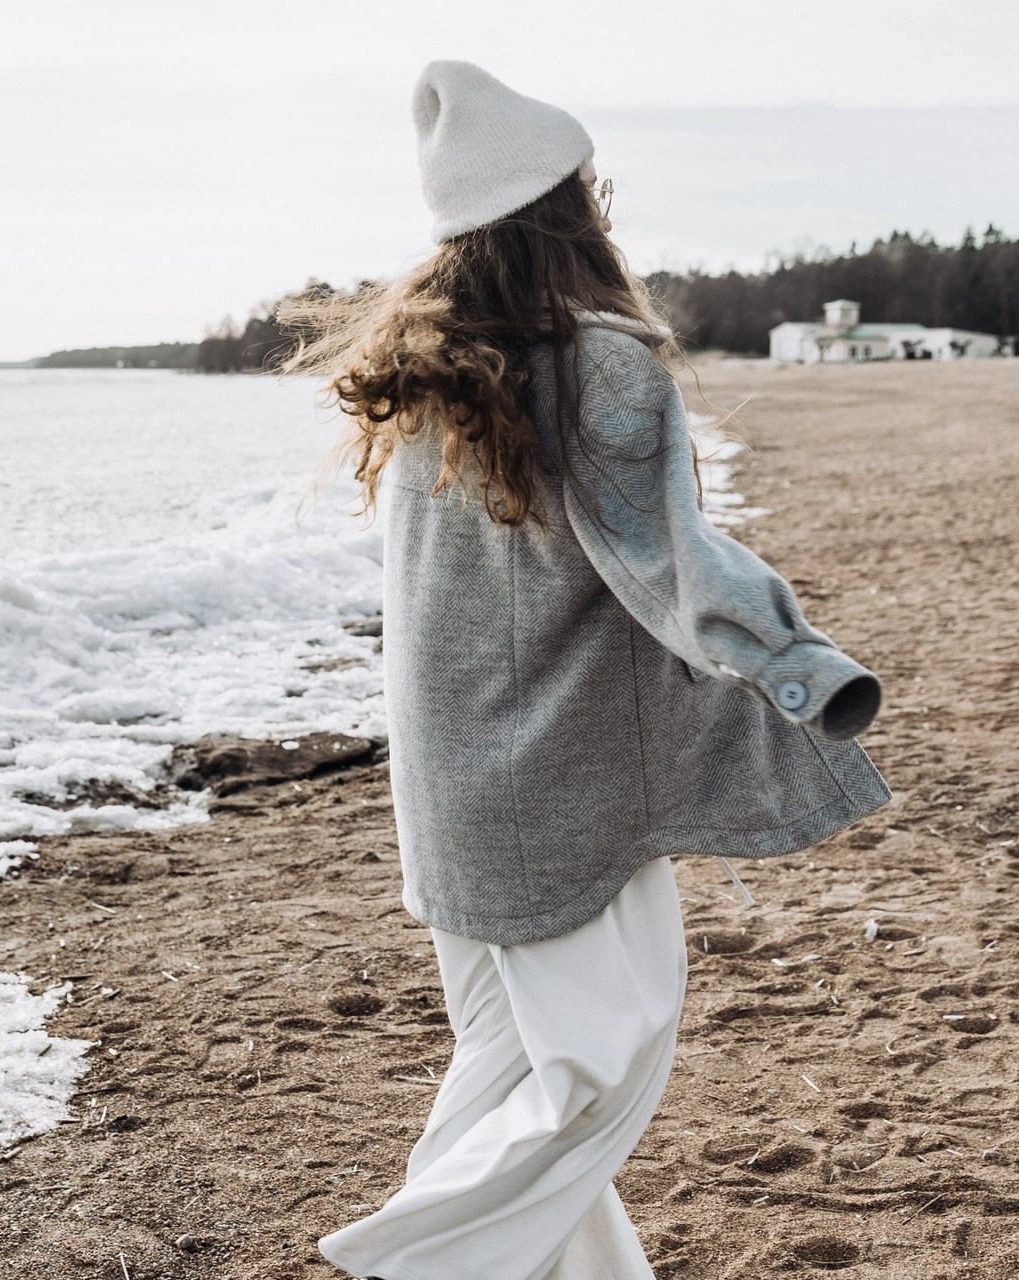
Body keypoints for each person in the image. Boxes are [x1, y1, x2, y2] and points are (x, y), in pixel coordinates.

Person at [277, 59, 892, 1280]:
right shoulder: (594, 360)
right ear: (568, 202)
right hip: (552, 784)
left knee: (506, 1072)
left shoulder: (428, 370)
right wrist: (795, 665)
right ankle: (399, 1266)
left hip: (450, 781)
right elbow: (669, 559)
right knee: (598, 1060)